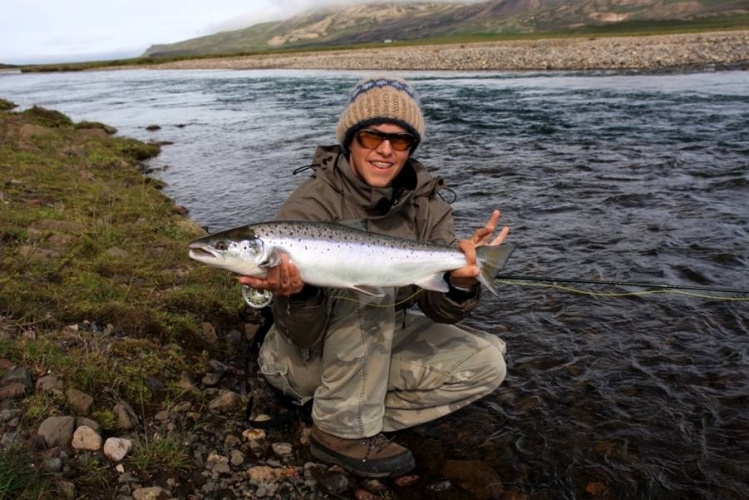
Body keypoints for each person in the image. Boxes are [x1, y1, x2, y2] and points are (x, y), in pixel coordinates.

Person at [239, 75, 509, 478]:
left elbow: (439, 311)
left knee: (487, 362)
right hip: (299, 361)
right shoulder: (310, 204)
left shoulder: (428, 207)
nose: (385, 150)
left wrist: (463, 280)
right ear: (350, 140)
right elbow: (301, 336)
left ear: (411, 148)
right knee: (370, 296)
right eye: (371, 137)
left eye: (400, 141)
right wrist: (297, 295)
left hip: (366, 353)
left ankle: (349, 413)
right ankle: (337, 432)